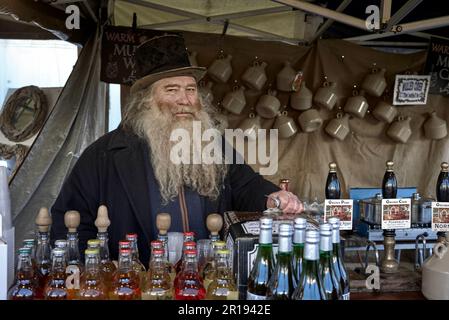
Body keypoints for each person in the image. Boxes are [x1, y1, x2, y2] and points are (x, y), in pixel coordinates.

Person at [50, 34, 303, 266]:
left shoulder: (212, 143)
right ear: (145, 100)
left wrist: (272, 197)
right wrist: (99, 268)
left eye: (190, 90)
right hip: (139, 282)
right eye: (172, 90)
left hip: (205, 278)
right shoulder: (104, 155)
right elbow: (69, 223)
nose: (185, 100)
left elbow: (245, 185)